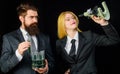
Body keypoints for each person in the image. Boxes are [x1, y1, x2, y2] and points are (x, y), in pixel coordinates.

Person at [55, 11, 120, 74]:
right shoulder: (59, 43)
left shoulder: (89, 36)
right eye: (68, 19)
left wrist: (103, 23)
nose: (72, 20)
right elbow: (59, 62)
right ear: (62, 24)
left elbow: (114, 40)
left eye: (73, 17)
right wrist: (65, 70)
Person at [0, 2, 55, 74]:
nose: (35, 20)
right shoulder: (9, 38)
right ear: (21, 18)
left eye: (36, 17)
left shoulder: (45, 38)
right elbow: (4, 67)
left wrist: (46, 69)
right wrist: (18, 53)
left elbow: (52, 63)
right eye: (31, 17)